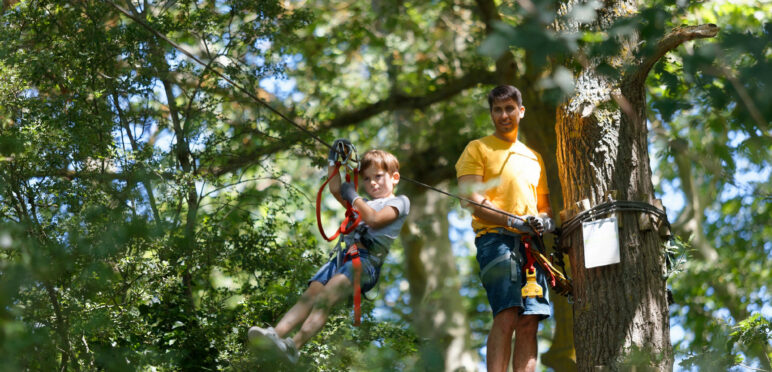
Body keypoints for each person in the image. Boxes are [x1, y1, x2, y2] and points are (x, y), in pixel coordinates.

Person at [248, 145, 410, 363]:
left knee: (325, 298)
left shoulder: (399, 202)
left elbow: (374, 219)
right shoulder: (364, 204)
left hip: (365, 262)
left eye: (379, 177)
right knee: (311, 295)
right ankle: (275, 336)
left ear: (395, 177)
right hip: (343, 257)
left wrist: (354, 197)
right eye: (367, 179)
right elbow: (335, 189)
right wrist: (334, 162)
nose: (373, 183)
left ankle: (293, 347)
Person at [455, 85, 556, 372]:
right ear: (491, 114)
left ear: (521, 111)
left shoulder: (533, 157)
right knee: (508, 314)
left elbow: (544, 207)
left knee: (530, 320)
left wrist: (544, 221)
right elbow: (470, 199)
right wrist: (513, 220)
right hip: (496, 241)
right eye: (497, 110)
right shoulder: (478, 148)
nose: (504, 115)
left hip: (532, 246)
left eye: (509, 108)